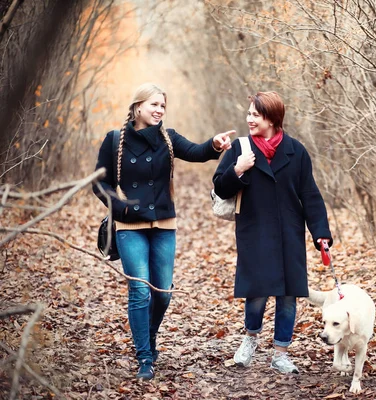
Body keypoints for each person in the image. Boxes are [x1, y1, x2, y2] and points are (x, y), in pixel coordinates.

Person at [93, 82, 232, 380]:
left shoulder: (168, 139)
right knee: (140, 290)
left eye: (163, 106)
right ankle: (144, 355)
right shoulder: (115, 140)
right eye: (154, 105)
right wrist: (120, 207)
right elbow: (99, 181)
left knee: (164, 294)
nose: (159, 111)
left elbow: (196, 151)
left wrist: (215, 144)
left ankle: (149, 336)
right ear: (138, 106)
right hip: (130, 226)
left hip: (164, 226)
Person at [212, 91, 332, 374]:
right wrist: (237, 170)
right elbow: (219, 186)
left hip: (290, 233)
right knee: (256, 292)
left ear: (272, 118)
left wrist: (320, 233)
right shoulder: (240, 149)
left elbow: (310, 195)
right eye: (249, 113)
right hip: (254, 231)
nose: (249, 119)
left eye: (256, 114)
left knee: (289, 295)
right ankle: (250, 338)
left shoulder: (296, 151)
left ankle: (281, 353)